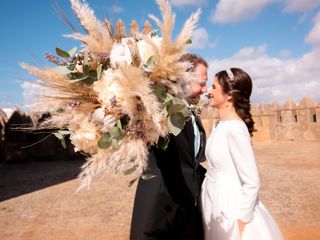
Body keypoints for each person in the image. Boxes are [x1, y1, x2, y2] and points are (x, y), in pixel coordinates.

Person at [130, 53, 208, 240]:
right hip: (160, 211)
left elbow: (191, 163)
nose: (205, 90)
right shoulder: (159, 112)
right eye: (202, 83)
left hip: (188, 210)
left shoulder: (192, 113)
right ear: (185, 79)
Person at [201, 68, 283, 240]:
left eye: (214, 87)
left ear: (229, 95)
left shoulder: (236, 129)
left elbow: (252, 182)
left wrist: (240, 221)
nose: (209, 91)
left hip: (230, 206)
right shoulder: (219, 124)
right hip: (214, 200)